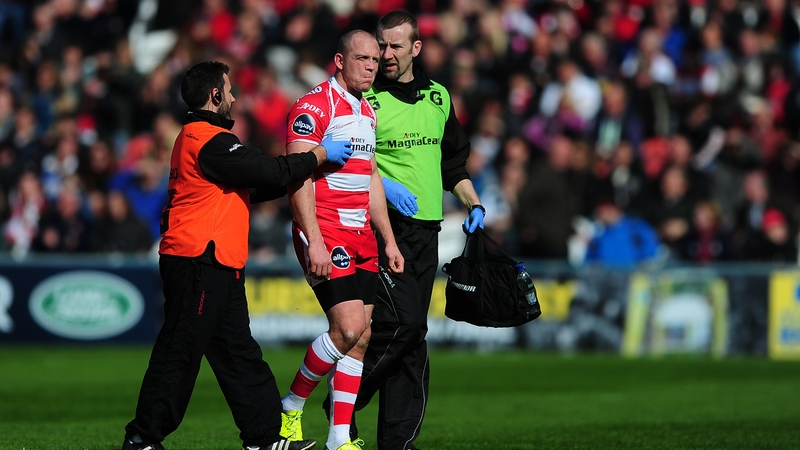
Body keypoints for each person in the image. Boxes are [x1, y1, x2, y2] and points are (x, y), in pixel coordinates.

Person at [122, 60, 354, 450]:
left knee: (238, 353)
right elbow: (264, 171)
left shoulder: (197, 140)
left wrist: (296, 172)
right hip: (199, 261)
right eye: (228, 91)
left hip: (217, 262)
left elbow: (256, 184)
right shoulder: (207, 139)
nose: (233, 97)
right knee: (180, 351)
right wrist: (317, 156)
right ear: (215, 96)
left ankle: (264, 439)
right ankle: (143, 437)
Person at [325, 11, 485, 450]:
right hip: (381, 230)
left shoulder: (438, 98)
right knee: (405, 324)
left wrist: (473, 203)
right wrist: (385, 186)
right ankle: (342, 402)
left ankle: (397, 441)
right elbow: (354, 158)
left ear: (416, 48)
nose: (386, 54)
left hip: (426, 230)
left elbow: (452, 163)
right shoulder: (364, 100)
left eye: (395, 46)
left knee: (414, 338)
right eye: (381, 46)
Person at [279, 30, 404, 450]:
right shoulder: (313, 107)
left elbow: (370, 177)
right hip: (325, 230)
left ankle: (337, 439)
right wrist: (312, 239)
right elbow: (296, 176)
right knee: (347, 327)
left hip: (361, 234)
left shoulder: (367, 111)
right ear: (339, 59)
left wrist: (388, 239)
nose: (372, 65)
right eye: (362, 58)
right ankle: (291, 406)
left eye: (376, 59)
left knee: (362, 337)